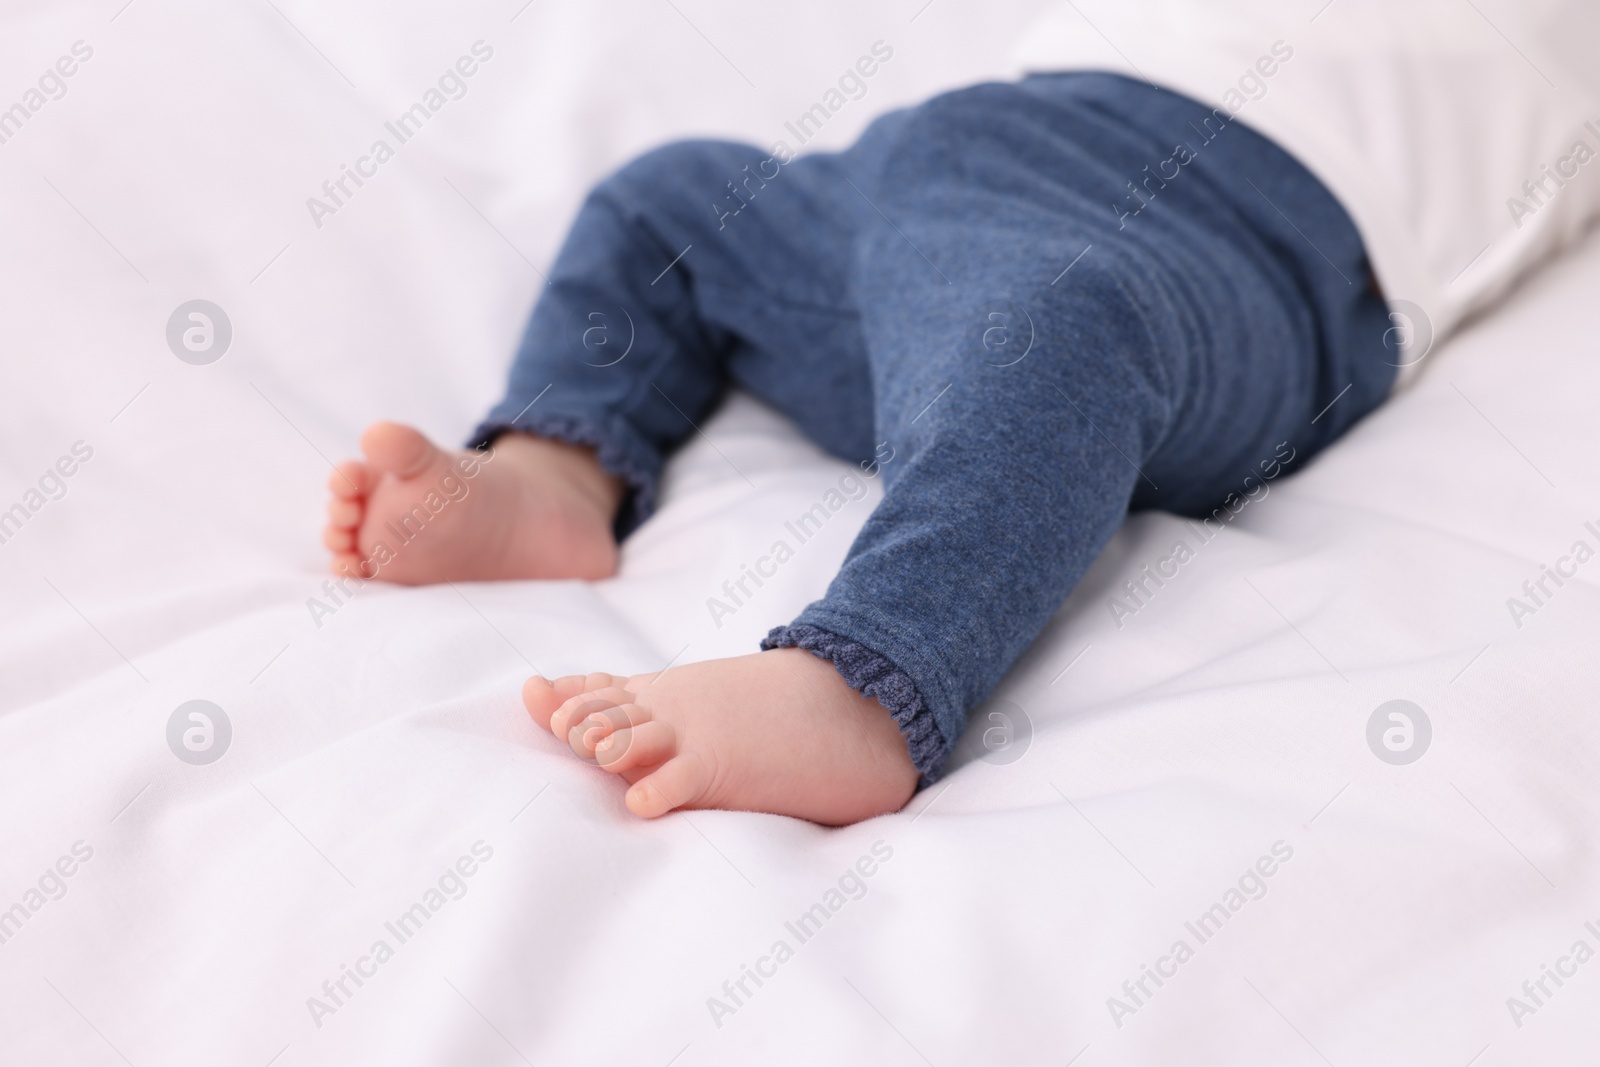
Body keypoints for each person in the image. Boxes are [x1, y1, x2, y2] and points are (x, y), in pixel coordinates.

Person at [322, 70, 1403, 825]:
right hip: (926, 170)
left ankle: (865, 680)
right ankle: (556, 469)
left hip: (1233, 240)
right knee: (667, 200)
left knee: (1060, 327)